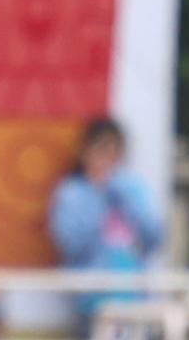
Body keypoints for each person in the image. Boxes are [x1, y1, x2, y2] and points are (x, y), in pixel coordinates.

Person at [52, 119, 169, 287]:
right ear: (85, 152)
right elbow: (71, 247)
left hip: (135, 288)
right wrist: (99, 197)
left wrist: (125, 196)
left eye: (114, 153)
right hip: (90, 289)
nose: (107, 160)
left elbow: (155, 238)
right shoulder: (71, 194)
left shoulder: (133, 187)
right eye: (101, 150)